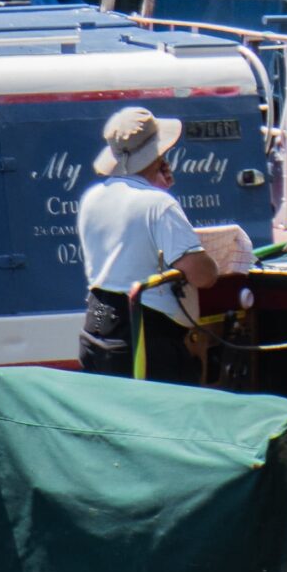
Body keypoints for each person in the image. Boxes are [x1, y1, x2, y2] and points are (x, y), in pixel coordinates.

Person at [75, 105, 219, 382]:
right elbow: (202, 276)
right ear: (158, 153)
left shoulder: (92, 197)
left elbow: (127, 249)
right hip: (146, 335)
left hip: (97, 322)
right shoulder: (158, 204)